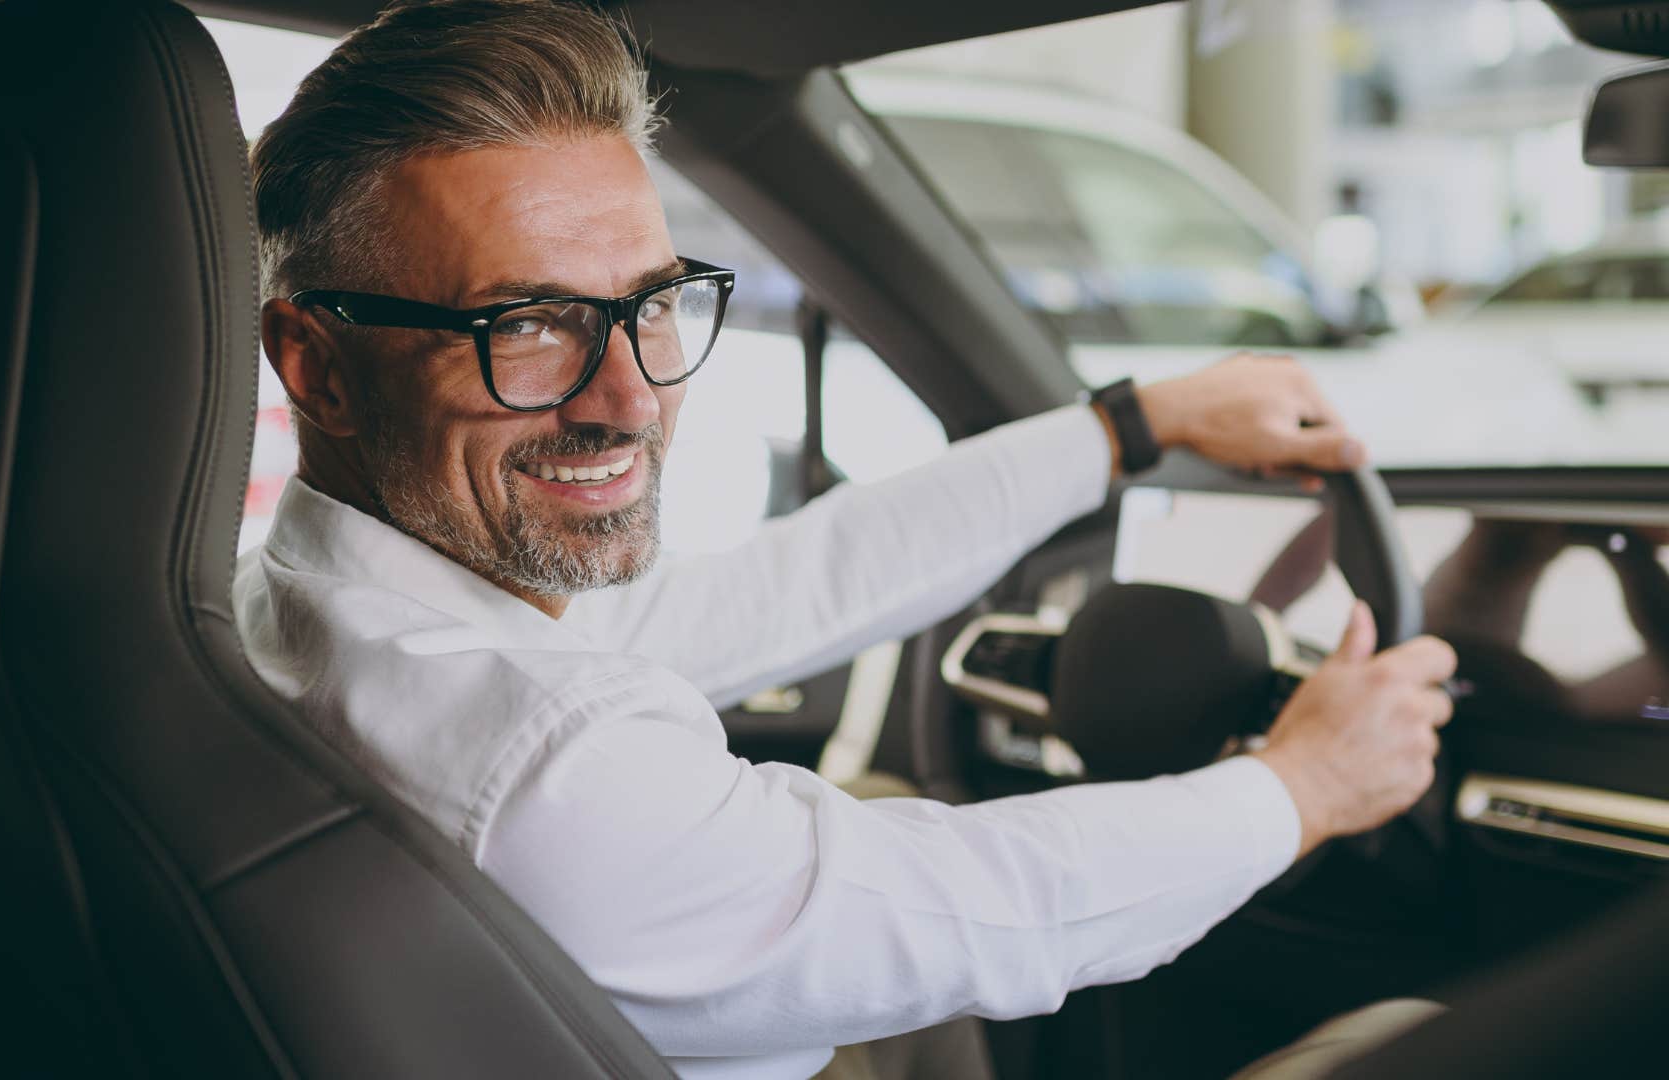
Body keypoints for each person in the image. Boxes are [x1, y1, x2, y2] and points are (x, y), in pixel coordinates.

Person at [232, 3, 1458, 1077]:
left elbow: (784, 587)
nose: (629, 399)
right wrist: (1302, 787)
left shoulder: (293, 611)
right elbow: (987, 905)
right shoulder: (543, 764)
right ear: (318, 368)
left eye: (652, 305)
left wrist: (1124, 427)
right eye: (527, 325)